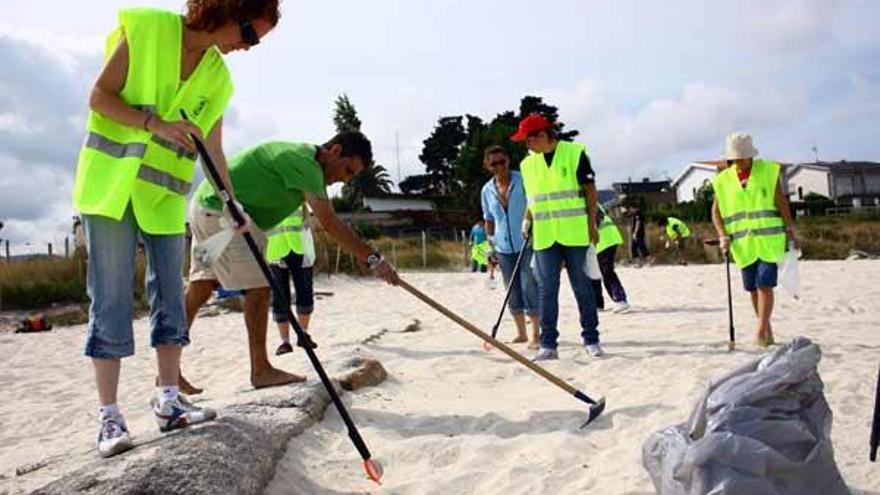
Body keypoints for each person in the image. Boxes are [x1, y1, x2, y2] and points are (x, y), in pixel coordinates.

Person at [71, 1, 279, 458]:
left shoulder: (219, 78)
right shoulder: (147, 30)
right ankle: (109, 416)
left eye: (256, 39)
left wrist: (232, 203)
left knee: (170, 295)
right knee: (108, 298)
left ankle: (168, 400)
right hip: (109, 189)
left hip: (163, 198)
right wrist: (156, 125)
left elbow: (214, 148)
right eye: (249, 32)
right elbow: (100, 97)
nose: (249, 46)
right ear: (225, 10)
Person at [184, 131, 399, 390]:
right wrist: (375, 259)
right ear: (335, 150)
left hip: (203, 208)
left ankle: (168, 369)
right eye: (347, 170)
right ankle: (261, 370)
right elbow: (329, 222)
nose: (344, 179)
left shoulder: (302, 159)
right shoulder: (306, 164)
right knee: (259, 288)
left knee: (201, 285)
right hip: (221, 216)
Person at [512, 113, 603, 360]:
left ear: (542, 135)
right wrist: (527, 218)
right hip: (544, 236)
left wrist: (592, 223)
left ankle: (591, 339)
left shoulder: (575, 153)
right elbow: (533, 199)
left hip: (575, 233)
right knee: (547, 290)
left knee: (582, 287)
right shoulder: (527, 165)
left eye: (528, 140)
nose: (526, 145)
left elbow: (590, 191)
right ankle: (548, 344)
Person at [711, 132, 797, 347]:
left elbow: (781, 201)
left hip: (769, 240)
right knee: (752, 288)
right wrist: (722, 235)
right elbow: (716, 212)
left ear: (750, 156)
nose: (738, 163)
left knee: (765, 284)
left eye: (742, 158)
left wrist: (789, 228)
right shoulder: (722, 180)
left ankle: (759, 329)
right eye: (734, 159)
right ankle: (767, 330)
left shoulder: (767, 171)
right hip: (742, 243)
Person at [480, 145, 540, 349]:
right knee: (511, 290)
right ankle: (521, 333)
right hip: (503, 247)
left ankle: (536, 334)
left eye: (502, 162)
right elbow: (488, 218)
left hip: (527, 242)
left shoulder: (523, 180)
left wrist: (530, 224)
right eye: (493, 163)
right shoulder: (486, 190)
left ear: (508, 161)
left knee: (529, 285)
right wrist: (489, 243)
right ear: (488, 166)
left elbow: (535, 205)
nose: (499, 166)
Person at [265, 205, 315, 356]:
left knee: (305, 291)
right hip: (276, 249)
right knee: (280, 296)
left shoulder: (299, 194)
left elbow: (307, 220)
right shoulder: (264, 196)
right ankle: (285, 342)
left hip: (300, 247)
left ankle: (303, 334)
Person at [592, 206, 631, 313]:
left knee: (607, 272)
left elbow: (596, 218)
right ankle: (598, 304)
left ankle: (620, 300)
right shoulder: (588, 198)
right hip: (602, 241)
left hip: (604, 240)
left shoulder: (585, 199)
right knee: (594, 273)